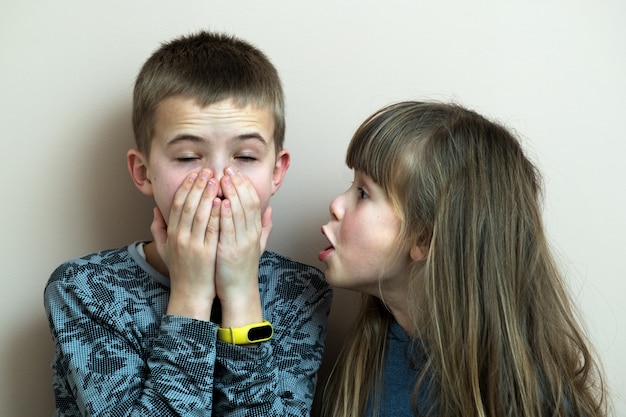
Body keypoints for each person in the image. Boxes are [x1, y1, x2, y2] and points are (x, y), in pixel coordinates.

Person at [44, 31, 332, 416]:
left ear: (276, 172)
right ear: (144, 172)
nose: (217, 181)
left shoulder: (301, 291)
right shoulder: (84, 291)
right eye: (187, 158)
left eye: (245, 156)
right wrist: (191, 294)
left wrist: (243, 293)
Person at [318, 101, 609, 417]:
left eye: (363, 193)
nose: (336, 204)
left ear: (424, 238)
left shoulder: (529, 404)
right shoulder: (373, 347)